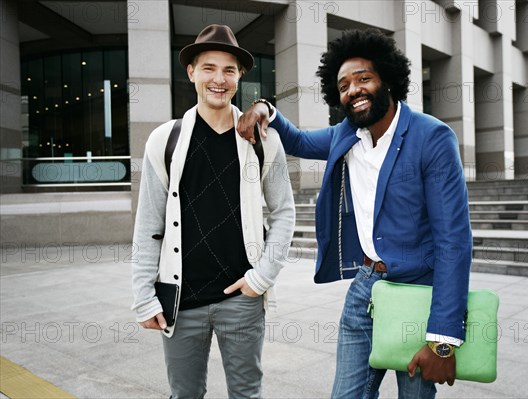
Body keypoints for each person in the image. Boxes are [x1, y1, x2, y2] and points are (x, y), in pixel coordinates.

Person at [237, 28, 472, 398]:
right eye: (344, 85)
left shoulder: (432, 137)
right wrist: (265, 108)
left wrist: (443, 340)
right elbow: (296, 140)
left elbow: (453, 241)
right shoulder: (347, 135)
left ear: (387, 80)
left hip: (416, 295)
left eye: (364, 79)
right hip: (365, 288)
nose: (353, 90)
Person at [131, 24, 295, 399]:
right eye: (209, 68)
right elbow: (148, 225)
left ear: (239, 76)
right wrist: (143, 295)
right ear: (191, 73)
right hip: (180, 299)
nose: (218, 79)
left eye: (229, 70)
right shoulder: (165, 139)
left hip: (242, 298)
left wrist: (262, 278)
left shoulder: (263, 141)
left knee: (246, 394)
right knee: (184, 395)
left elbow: (284, 212)